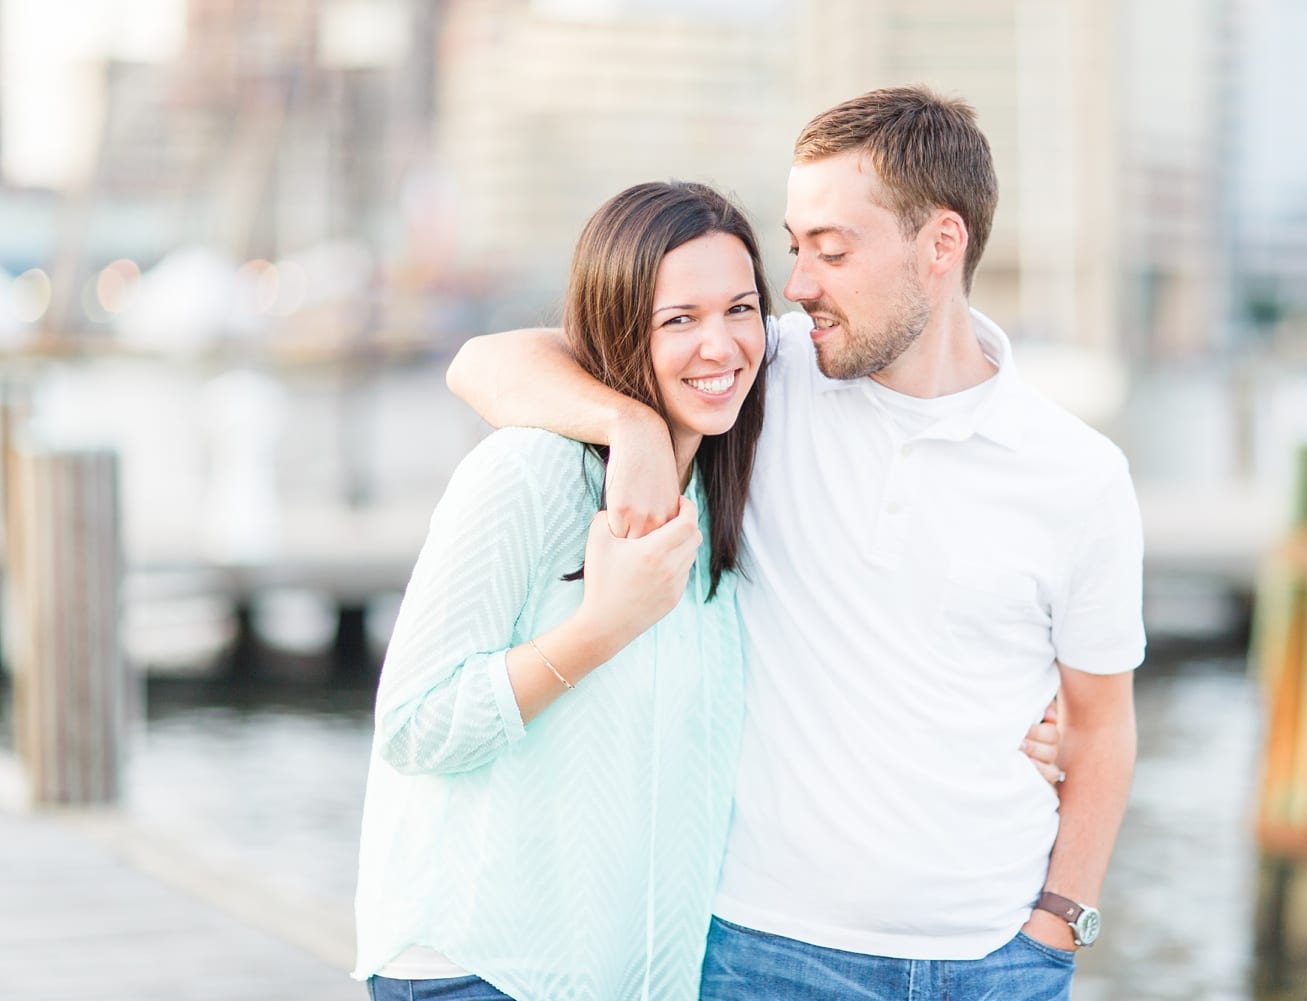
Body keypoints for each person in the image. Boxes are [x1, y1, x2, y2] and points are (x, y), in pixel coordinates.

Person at [447, 86, 1143, 1001]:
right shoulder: (760, 373)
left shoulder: (1078, 474)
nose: (800, 282)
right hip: (766, 953)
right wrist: (635, 429)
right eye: (795, 246)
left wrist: (1059, 921)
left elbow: (1099, 726)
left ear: (941, 245)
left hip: (999, 964)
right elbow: (484, 362)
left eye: (833, 250)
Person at [352, 180, 773, 1000]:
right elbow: (414, 723)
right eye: (677, 319)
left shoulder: (721, 484)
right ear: (620, 328)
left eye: (742, 309)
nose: (720, 346)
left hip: (630, 977)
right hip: (481, 971)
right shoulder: (528, 473)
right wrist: (602, 626)